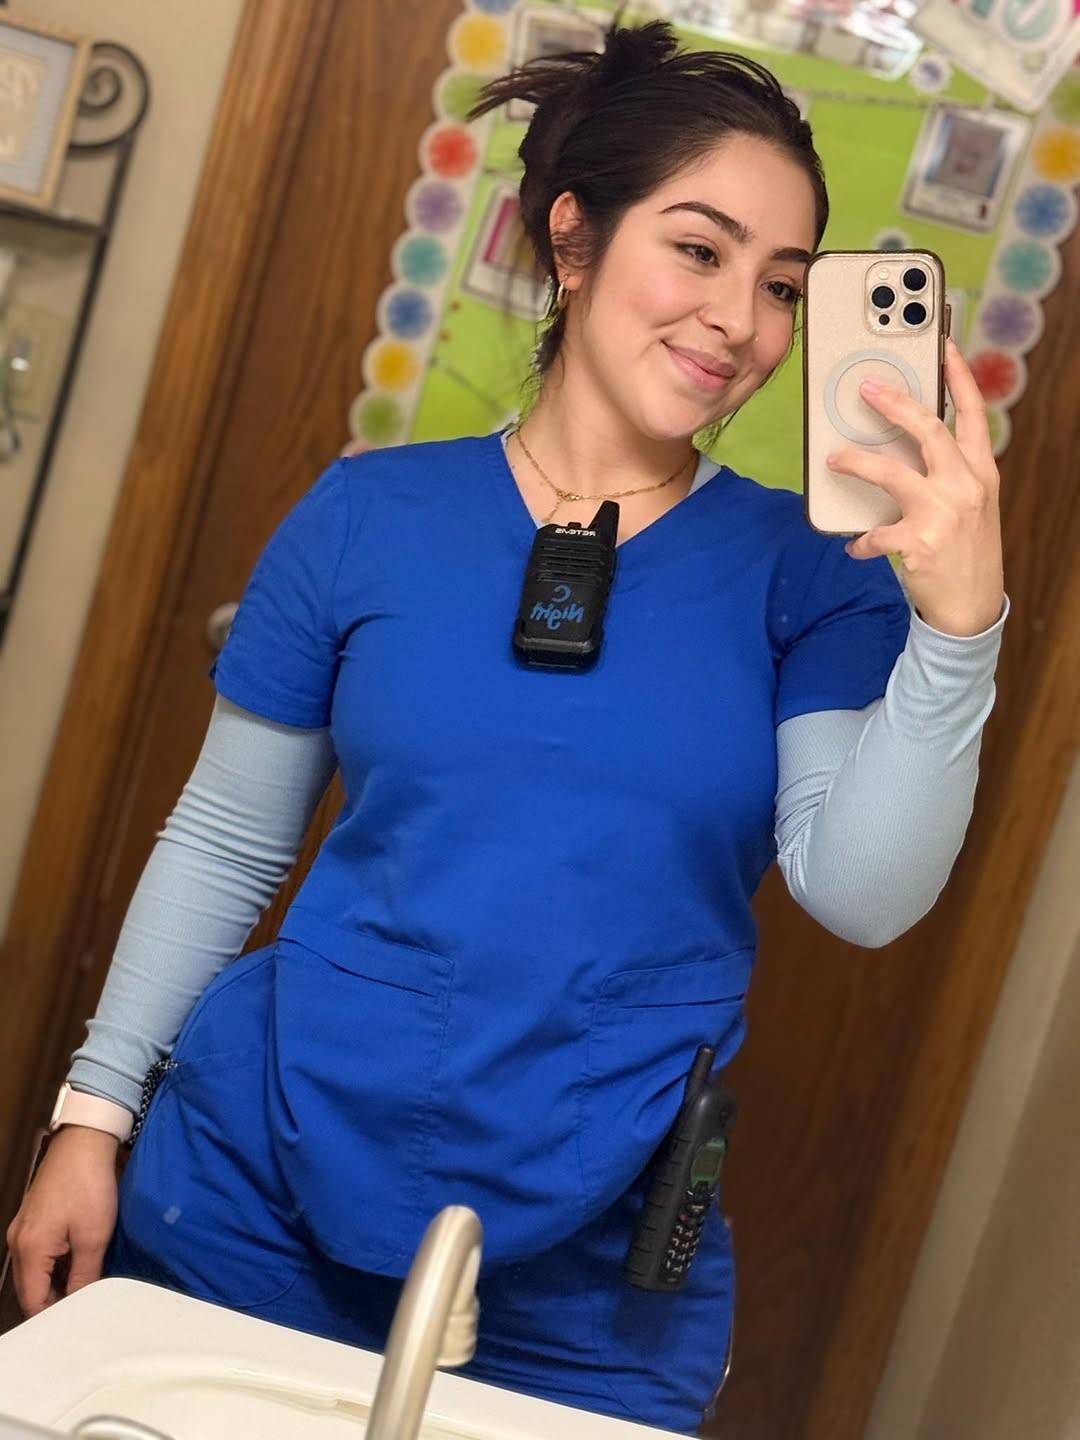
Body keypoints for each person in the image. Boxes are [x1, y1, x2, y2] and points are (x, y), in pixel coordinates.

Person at [6, 19, 1007, 1434]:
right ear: (574, 237)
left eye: (784, 286)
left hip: (590, 1273)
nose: (741, 321)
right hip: (246, 1194)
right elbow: (225, 841)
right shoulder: (362, 516)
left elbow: (860, 892)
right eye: (700, 250)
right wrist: (92, 1120)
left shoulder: (812, 574)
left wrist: (960, 630)